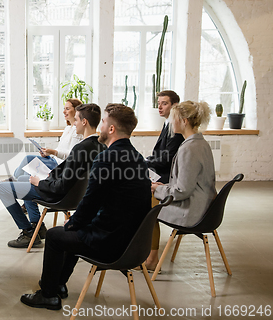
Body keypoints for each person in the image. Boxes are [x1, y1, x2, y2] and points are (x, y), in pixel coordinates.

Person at [20, 103, 151, 311]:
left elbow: (90, 203)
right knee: (75, 229)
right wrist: (76, 223)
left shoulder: (106, 159)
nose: (100, 126)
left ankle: (47, 294)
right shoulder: (137, 158)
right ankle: (59, 283)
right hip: (134, 241)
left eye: (104, 122)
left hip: (111, 243)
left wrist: (74, 222)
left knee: (56, 236)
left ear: (111, 129)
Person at [0, 104, 105, 248]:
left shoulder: (80, 148)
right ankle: (37, 225)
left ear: (84, 122)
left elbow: (62, 186)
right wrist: (49, 176)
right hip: (74, 194)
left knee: (2, 188)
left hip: (60, 196)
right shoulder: (101, 146)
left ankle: (28, 232)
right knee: (24, 177)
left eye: (77, 120)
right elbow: (70, 176)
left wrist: (40, 183)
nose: (74, 123)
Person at [152, 100, 216, 228]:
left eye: (173, 118)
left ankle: (152, 249)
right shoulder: (201, 143)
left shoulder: (189, 149)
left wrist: (157, 189)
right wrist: (165, 186)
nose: (171, 122)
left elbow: (182, 191)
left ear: (184, 121)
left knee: (149, 205)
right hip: (205, 206)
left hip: (192, 211)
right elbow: (189, 182)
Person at [144, 90, 184, 270]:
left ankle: (151, 257)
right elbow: (158, 155)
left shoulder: (176, 129)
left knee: (146, 204)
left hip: (167, 179)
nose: (159, 106)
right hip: (161, 173)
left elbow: (167, 159)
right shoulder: (167, 124)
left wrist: (146, 163)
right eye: (158, 103)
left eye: (164, 103)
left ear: (175, 105)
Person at [10, 98, 83, 180]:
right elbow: (60, 149)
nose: (64, 111)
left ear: (77, 111)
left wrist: (52, 152)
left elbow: (71, 155)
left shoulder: (78, 132)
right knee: (28, 168)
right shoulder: (67, 128)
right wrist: (48, 154)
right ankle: (16, 184)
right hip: (54, 160)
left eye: (67, 109)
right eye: (64, 108)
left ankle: (13, 181)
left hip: (59, 166)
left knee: (28, 160)